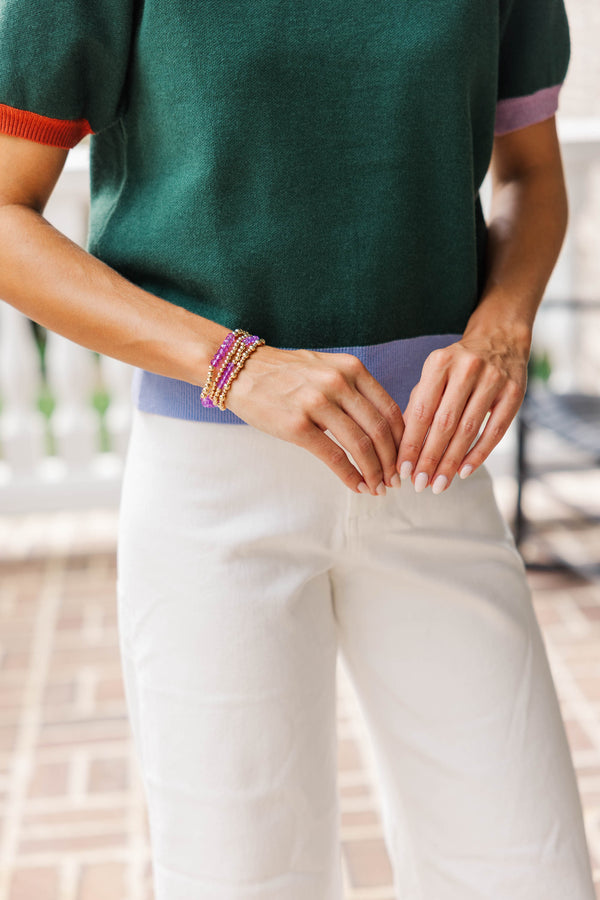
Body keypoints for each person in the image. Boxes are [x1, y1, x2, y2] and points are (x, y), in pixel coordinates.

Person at [0, 0, 596, 897]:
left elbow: (530, 173)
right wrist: (232, 366)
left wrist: (504, 325)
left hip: (436, 468)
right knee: (242, 877)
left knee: (527, 872)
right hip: (216, 490)